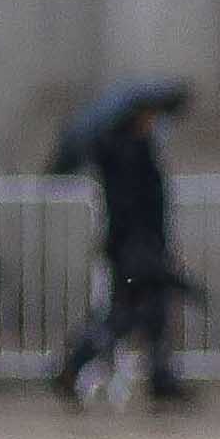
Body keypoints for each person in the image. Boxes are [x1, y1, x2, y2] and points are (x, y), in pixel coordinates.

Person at [47, 83, 198, 409]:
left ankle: (161, 378)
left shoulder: (133, 148)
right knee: (124, 317)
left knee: (153, 314)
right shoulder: (126, 152)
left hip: (141, 244)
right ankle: (75, 364)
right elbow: (135, 206)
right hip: (134, 247)